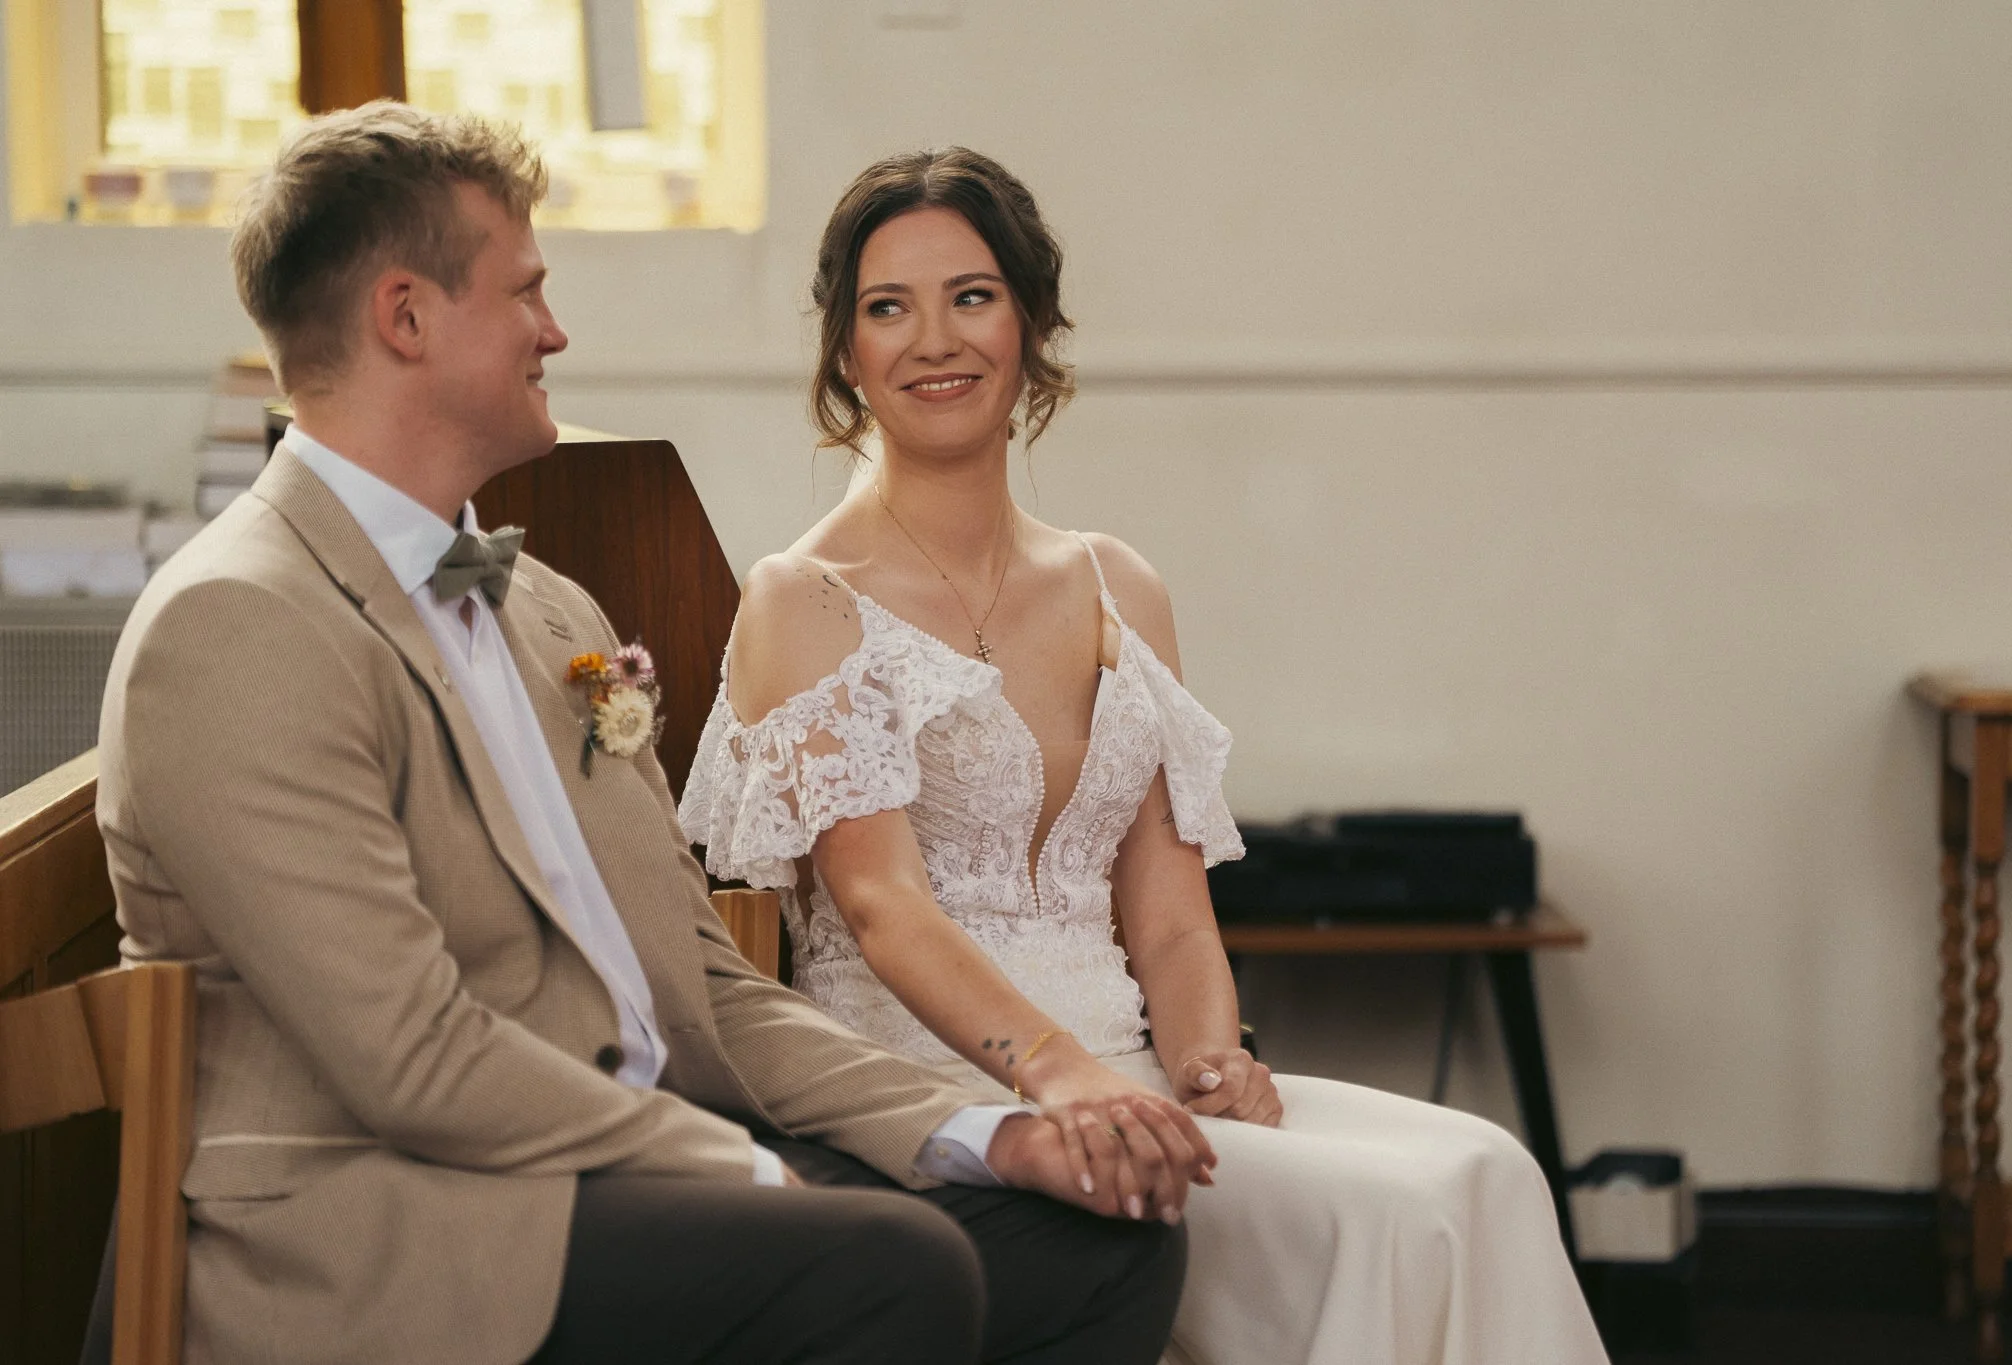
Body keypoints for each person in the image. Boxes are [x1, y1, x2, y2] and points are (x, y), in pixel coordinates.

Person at [88, 105, 1201, 1365]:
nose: (553, 331)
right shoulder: (239, 622)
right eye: (525, 291)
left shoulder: (545, 609)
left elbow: (704, 984)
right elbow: (410, 1059)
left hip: (623, 1166)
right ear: (406, 317)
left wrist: (978, 1133)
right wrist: (752, 1178)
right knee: (887, 1270)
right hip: (394, 1225)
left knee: (1105, 1248)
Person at [681, 146, 1611, 1365]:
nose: (931, 340)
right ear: (845, 354)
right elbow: (883, 908)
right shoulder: (803, 598)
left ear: (1029, 322)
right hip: (946, 1099)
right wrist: (1069, 1082)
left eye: (970, 295)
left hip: (1137, 1070)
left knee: (1487, 1171)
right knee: (1399, 1222)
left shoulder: (1118, 585)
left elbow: (1169, 918)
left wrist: (1209, 1057)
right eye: (885, 307)